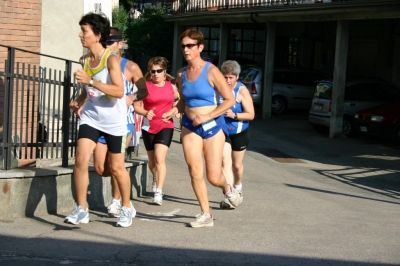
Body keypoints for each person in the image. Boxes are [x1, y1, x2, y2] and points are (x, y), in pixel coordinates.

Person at [163, 28, 241, 228]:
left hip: (213, 126)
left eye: (190, 46)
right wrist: (174, 110)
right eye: (183, 46)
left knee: (213, 176)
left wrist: (207, 115)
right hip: (190, 126)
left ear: (200, 47)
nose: (186, 49)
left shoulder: (211, 70)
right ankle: (206, 214)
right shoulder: (181, 73)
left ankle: (228, 188)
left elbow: (229, 100)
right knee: (194, 170)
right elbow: (184, 101)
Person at [65, 13, 135, 228]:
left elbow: (119, 91)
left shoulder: (111, 59)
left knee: (116, 168)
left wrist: (91, 81)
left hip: (114, 121)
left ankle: (127, 207)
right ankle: (82, 209)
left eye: (84, 31)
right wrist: (79, 99)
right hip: (91, 118)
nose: (80, 35)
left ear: (97, 35)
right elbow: (88, 89)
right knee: (80, 159)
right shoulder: (84, 59)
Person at [93, 27, 148, 218]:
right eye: (104, 42)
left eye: (109, 42)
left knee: (116, 165)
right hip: (100, 121)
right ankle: (121, 184)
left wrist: (132, 96)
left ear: (120, 44)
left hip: (123, 123)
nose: (106, 46)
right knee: (101, 168)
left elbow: (144, 90)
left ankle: (117, 201)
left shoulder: (130, 67)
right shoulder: (97, 63)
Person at [134, 56, 179, 206]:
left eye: (159, 71)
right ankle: (156, 177)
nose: (155, 74)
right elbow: (136, 106)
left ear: (165, 71)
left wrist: (173, 111)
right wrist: (145, 113)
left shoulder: (171, 87)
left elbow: (178, 102)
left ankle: (158, 192)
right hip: (148, 126)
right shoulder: (145, 87)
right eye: (152, 71)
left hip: (166, 125)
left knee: (160, 159)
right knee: (152, 162)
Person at [218, 60, 255, 209]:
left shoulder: (242, 91)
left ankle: (238, 186)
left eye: (230, 78)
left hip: (240, 131)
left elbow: (251, 115)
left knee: (237, 165)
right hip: (223, 131)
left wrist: (234, 115)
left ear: (237, 77)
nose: (227, 81)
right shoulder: (218, 88)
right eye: (225, 77)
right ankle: (231, 195)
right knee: (224, 161)